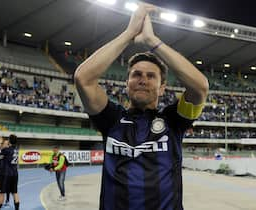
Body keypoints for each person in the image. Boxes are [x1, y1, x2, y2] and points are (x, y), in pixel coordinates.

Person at [74, 3, 209, 210]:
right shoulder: (111, 119)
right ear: (127, 84)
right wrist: (129, 33)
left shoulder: (174, 121)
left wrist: (152, 41)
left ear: (162, 87)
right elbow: (83, 79)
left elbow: (200, 87)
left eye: (151, 76)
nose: (142, 80)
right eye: (136, 74)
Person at [0, 134, 20, 210]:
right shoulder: (16, 150)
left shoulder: (7, 150)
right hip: (15, 174)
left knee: (1, 193)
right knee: (15, 193)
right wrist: (0, 144)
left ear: (9, 141)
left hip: (6, 174)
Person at [0, 136, 11, 207]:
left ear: (8, 145)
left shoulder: (7, 150)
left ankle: (5, 202)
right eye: (3, 143)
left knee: (4, 189)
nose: (3, 144)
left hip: (5, 173)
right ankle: (0, 201)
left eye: (5, 143)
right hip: (0, 172)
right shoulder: (3, 150)